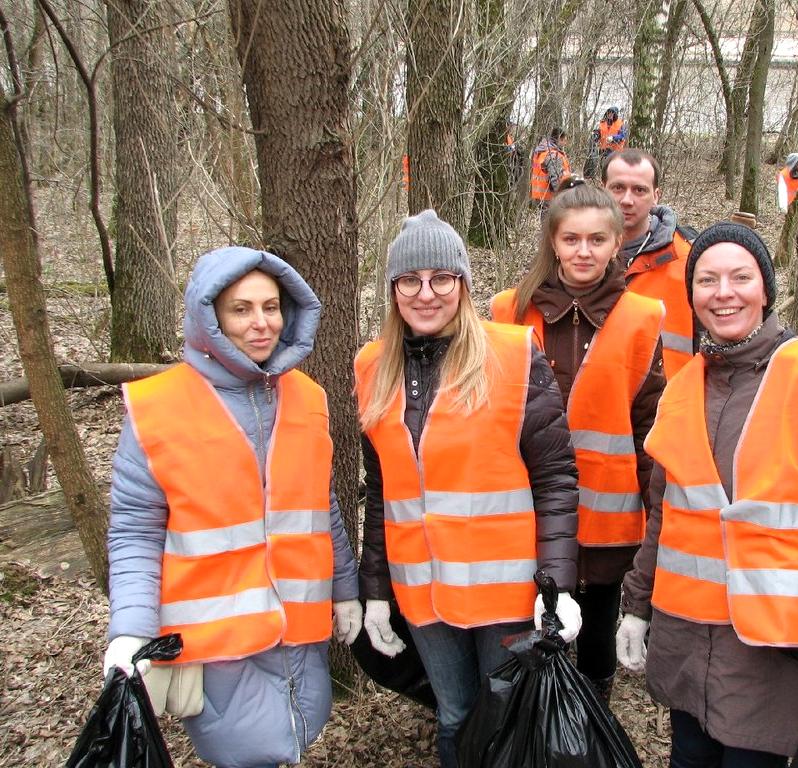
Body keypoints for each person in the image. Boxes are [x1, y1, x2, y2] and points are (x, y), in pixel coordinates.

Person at [615, 221, 798, 768]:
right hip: (686, 637)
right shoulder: (681, 390)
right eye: (707, 280)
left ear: (765, 288)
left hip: (772, 648)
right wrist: (637, 605)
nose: (723, 293)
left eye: (740, 277)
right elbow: (665, 513)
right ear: (692, 295)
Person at [104, 246, 362, 768]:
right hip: (216, 639)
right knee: (247, 751)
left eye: (271, 307)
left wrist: (346, 591)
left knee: (299, 735)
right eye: (241, 309)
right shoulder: (159, 407)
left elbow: (322, 506)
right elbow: (135, 530)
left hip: (301, 625)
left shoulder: (307, 396)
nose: (261, 323)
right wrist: (129, 628)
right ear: (210, 316)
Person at [356, 209, 582, 768]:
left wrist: (555, 584)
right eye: (410, 280)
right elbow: (382, 488)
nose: (426, 293)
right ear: (393, 290)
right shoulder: (370, 367)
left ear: (462, 283)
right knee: (454, 715)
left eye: (442, 279)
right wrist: (377, 590)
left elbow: (555, 479)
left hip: (503, 593)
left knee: (506, 716)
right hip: (423, 591)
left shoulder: (511, 354)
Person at [491, 177, 665, 703]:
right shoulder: (508, 311)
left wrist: (656, 512)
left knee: (595, 635)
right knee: (525, 624)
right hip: (528, 508)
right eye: (571, 239)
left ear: (617, 245)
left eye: (596, 240)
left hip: (608, 520)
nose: (583, 251)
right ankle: (530, 722)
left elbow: (648, 427)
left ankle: (591, 723)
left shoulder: (641, 318)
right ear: (553, 243)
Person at [603, 149, 697, 378]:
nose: (627, 200)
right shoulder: (575, 253)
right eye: (618, 188)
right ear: (602, 189)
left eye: (639, 190)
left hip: (668, 402)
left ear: (656, 195)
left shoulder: (688, 258)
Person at [530, 127, 572, 214]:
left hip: (539, 196)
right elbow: (555, 179)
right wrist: (562, 196)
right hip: (550, 197)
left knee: (545, 223)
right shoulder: (553, 155)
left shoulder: (541, 151)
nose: (565, 143)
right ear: (559, 139)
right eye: (564, 140)